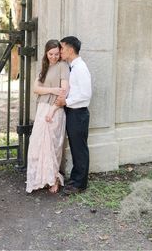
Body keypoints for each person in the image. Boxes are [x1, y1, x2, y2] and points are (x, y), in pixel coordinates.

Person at [26, 39, 69, 194]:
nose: (54, 57)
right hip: (41, 109)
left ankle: (54, 179)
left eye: (57, 54)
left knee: (52, 145)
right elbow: (36, 89)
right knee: (38, 145)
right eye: (51, 54)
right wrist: (51, 89)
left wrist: (52, 110)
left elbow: (64, 91)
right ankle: (42, 178)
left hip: (54, 110)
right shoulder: (44, 67)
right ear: (46, 53)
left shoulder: (63, 66)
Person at [55, 36, 92, 195]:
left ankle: (80, 184)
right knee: (76, 148)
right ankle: (76, 179)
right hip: (73, 112)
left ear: (70, 49)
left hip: (78, 113)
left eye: (62, 48)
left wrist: (66, 102)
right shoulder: (73, 67)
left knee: (79, 149)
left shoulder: (80, 68)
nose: (60, 51)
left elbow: (86, 94)